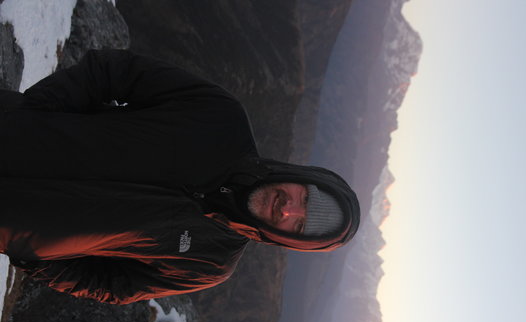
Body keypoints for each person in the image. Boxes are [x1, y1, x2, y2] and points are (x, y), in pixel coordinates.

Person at [0, 49, 360, 304]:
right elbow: (119, 72)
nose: (288, 209)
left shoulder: (210, 264)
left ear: (290, 241)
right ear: (302, 176)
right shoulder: (222, 119)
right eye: (305, 197)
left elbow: (113, 286)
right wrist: (39, 110)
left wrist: (34, 254)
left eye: (299, 225)